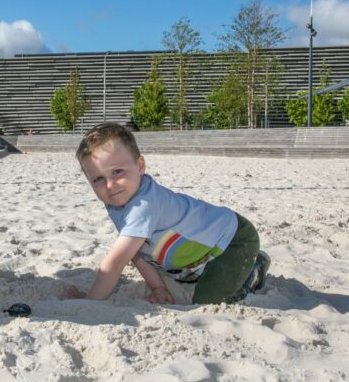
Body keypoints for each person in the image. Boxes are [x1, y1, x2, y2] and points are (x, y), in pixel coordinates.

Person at [62, 123, 270, 305]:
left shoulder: (144, 205)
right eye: (98, 179)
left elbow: (114, 264)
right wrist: (157, 288)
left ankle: (253, 270)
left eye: (117, 172)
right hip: (202, 253)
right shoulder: (118, 201)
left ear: (140, 165)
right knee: (181, 275)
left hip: (233, 240)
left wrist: (90, 301)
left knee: (209, 301)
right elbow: (137, 253)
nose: (110, 185)